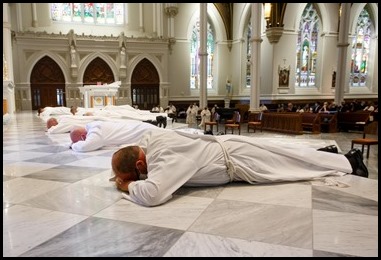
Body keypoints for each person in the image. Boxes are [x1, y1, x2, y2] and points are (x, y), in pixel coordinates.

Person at [110, 128, 368, 207]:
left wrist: (129, 184)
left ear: (141, 164)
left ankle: (350, 162)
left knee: (288, 167)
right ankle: (329, 155)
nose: (142, 176)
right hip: (231, 148)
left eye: (138, 173)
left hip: (238, 159)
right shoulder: (153, 139)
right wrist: (124, 172)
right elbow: (134, 148)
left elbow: (153, 194)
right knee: (285, 155)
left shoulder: (165, 158)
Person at [70, 120, 159, 152]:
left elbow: (85, 147)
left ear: (83, 136)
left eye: (80, 140)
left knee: (163, 136)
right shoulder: (94, 126)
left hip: (139, 132)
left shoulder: (95, 130)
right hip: (137, 129)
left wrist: (73, 145)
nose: (82, 142)